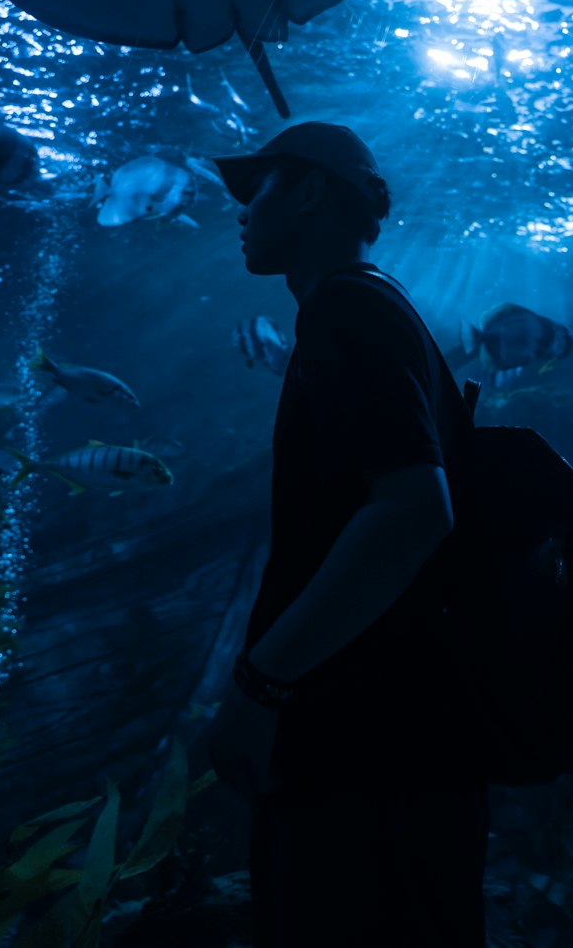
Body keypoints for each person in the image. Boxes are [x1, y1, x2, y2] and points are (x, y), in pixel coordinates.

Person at [206, 121, 488, 948]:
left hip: (365, 741)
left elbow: (413, 508)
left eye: (254, 191)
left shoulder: (345, 311)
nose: (241, 213)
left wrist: (262, 684)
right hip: (407, 732)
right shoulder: (375, 308)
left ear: (307, 190)